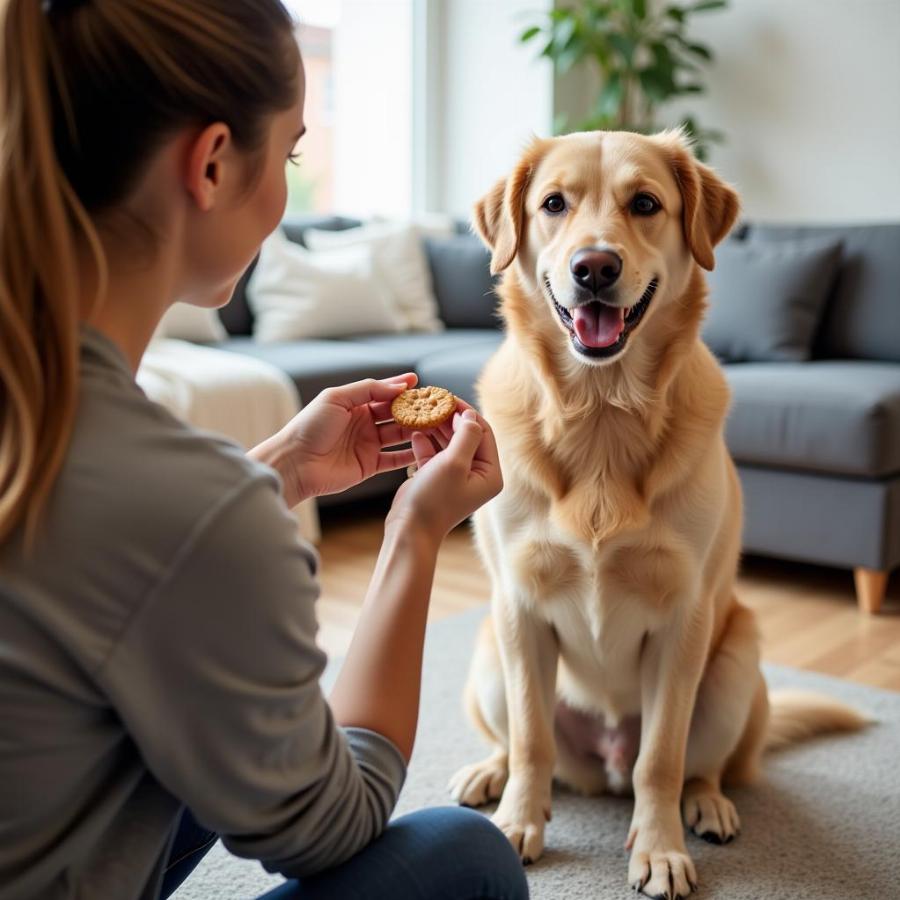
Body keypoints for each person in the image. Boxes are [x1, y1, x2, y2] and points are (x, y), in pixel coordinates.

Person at [0, 1, 529, 898]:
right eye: (288, 153)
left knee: (213, 704)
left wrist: (280, 466)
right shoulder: (176, 502)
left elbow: (105, 566)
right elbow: (337, 823)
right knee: (467, 861)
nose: (288, 185)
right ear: (209, 164)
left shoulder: (55, 423)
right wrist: (415, 534)